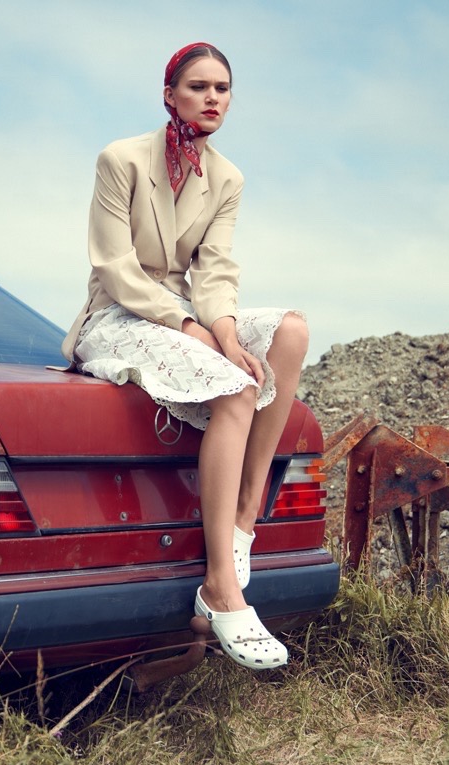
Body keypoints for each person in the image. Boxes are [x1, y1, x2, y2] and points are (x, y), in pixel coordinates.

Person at [63, 42, 309, 674]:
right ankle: (221, 587)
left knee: (290, 330)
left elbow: (216, 272)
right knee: (236, 389)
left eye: (222, 88)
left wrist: (224, 335)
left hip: (191, 314)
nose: (212, 98)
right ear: (169, 95)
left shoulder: (227, 178)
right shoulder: (120, 159)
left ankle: (244, 517)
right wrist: (190, 328)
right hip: (120, 314)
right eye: (198, 87)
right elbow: (114, 266)